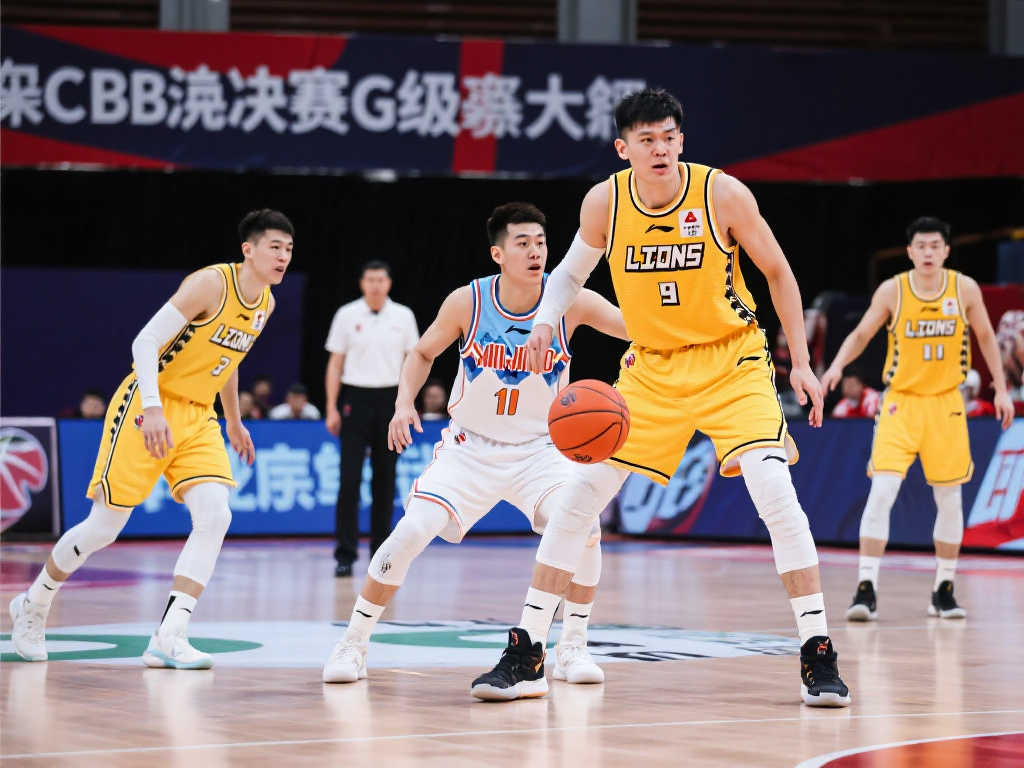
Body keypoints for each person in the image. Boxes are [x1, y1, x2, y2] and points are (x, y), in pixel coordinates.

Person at [472, 88, 851, 707]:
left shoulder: (721, 194)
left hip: (732, 360)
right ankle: (528, 650)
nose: (660, 149)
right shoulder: (605, 203)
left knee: (775, 493)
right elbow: (569, 273)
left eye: (669, 138)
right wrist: (543, 321)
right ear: (623, 149)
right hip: (652, 368)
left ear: (681, 141)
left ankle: (818, 652)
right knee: (579, 499)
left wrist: (803, 364)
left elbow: (779, 272)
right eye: (646, 140)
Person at [322, 202, 627, 687]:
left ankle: (572, 646)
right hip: (470, 449)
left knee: (584, 526)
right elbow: (422, 352)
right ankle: (353, 644)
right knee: (410, 531)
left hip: (541, 450)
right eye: (522, 243)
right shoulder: (469, 301)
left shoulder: (571, 300)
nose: (535, 252)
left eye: (541, 243)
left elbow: (638, 329)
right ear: (498, 254)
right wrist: (404, 403)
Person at [9, 209, 294, 668]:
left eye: (289, 249)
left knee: (215, 515)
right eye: (275, 247)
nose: (283, 257)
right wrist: (155, 407)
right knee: (104, 527)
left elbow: (228, 359)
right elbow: (144, 342)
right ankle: (34, 602)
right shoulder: (211, 284)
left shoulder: (266, 304)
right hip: (147, 405)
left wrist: (234, 421)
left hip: (199, 415)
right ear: (249, 250)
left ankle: (170, 634)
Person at [822, 216, 1014, 622]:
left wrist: (1000, 388)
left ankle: (944, 589)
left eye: (935, 246)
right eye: (921, 246)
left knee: (949, 498)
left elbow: (985, 336)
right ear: (910, 252)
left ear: (946, 251)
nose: (928, 253)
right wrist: (837, 365)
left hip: (946, 405)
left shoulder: (964, 288)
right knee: (882, 491)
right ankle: (866, 587)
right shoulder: (893, 290)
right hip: (901, 404)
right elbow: (862, 334)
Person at [324, 261, 419, 578]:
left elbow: (413, 362)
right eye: (370, 280)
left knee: (385, 480)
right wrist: (332, 407)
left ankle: (381, 553)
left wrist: (407, 404)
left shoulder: (403, 315)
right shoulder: (347, 314)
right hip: (355, 397)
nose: (376, 285)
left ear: (388, 283)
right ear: (362, 283)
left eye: (381, 280)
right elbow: (335, 364)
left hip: (390, 399)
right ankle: (345, 554)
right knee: (349, 480)